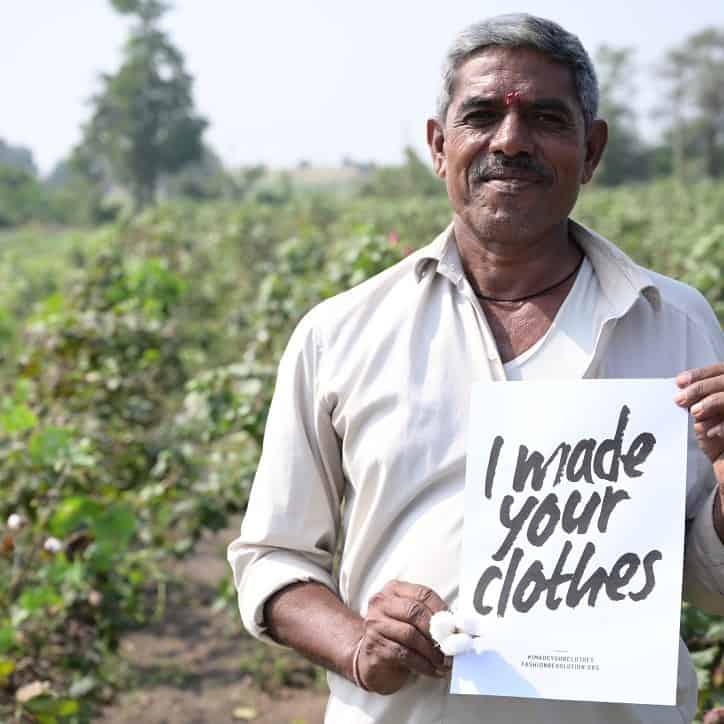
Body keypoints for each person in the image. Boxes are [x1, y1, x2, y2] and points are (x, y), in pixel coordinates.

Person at [228, 13, 724, 724]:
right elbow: (272, 559)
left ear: (592, 150)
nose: (510, 140)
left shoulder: (673, 321)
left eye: (547, 119)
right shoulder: (340, 334)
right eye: (482, 115)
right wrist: (358, 646)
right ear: (439, 145)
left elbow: (711, 583)